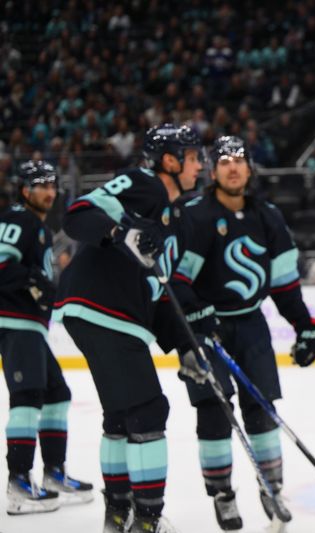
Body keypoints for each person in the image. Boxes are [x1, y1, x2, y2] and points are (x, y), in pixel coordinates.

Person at [53, 124, 206, 533]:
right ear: (170, 161)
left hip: (116, 313)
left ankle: (118, 514)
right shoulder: (144, 184)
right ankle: (147, 520)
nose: (200, 166)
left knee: (121, 417)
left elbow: (160, 294)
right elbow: (77, 214)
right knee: (148, 410)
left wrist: (185, 347)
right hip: (100, 303)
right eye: (193, 158)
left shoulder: (182, 224)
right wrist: (121, 231)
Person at [171, 135, 315, 531]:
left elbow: (285, 283)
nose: (233, 167)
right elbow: (177, 279)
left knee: (263, 410)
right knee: (215, 414)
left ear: (250, 168)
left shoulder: (268, 216)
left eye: (239, 160)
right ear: (213, 170)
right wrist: (196, 316)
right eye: (224, 161)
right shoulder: (196, 214)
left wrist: (305, 325)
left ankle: (271, 488)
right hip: (205, 328)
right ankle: (222, 494)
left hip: (251, 325)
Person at [1, 161, 93, 515]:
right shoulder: (17, 219)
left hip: (31, 325)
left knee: (57, 395)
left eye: (52, 184)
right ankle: (19, 481)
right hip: (15, 321)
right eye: (41, 185)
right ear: (25, 190)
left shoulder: (36, 225)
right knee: (27, 397)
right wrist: (34, 282)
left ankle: (54, 473)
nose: (50, 191)